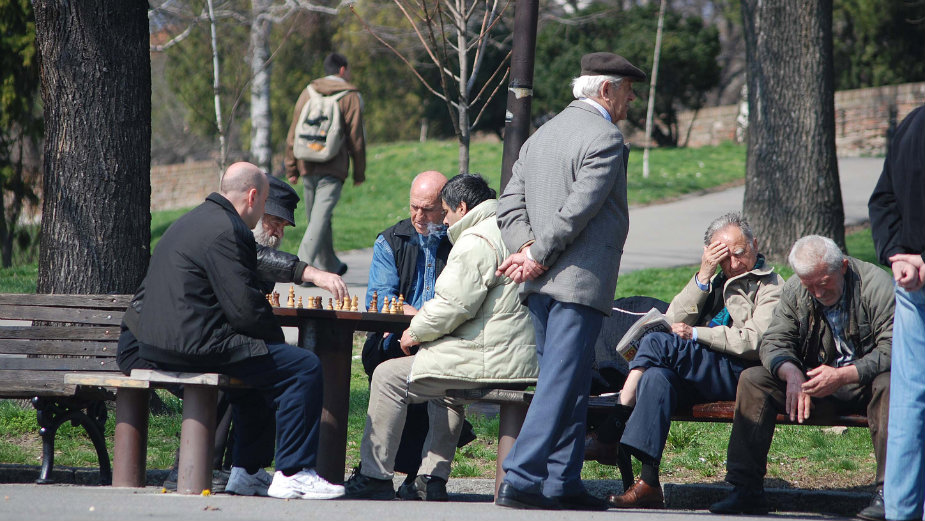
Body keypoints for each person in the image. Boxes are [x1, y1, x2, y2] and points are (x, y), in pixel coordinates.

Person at [122, 162, 344, 500]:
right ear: (254, 197)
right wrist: (273, 339)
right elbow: (245, 310)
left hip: (161, 342)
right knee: (302, 367)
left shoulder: (194, 218)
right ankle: (294, 472)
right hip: (190, 346)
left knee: (258, 374)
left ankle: (248, 471)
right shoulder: (229, 230)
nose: (277, 231)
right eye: (272, 215)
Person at [494, 51, 645, 511]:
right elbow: (578, 210)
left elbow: (508, 205)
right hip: (577, 282)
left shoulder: (542, 136)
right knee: (561, 383)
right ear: (606, 89)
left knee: (572, 381)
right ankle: (520, 476)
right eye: (627, 90)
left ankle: (562, 481)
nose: (631, 100)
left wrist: (525, 251)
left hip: (540, 285)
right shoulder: (605, 138)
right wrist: (536, 255)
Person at [344, 174, 538, 500]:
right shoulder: (510, 229)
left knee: (387, 376)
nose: (444, 219)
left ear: (462, 207)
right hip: (515, 353)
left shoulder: (476, 239)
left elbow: (452, 305)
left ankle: (375, 474)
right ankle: (430, 479)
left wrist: (414, 332)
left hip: (487, 356)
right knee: (441, 377)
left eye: (443, 210)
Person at [603, 212, 782, 509]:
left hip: (738, 372)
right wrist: (703, 276)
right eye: (723, 257)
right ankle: (648, 482)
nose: (734, 263)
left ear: (755, 244)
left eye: (740, 253)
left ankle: (614, 424)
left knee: (658, 344)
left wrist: (698, 335)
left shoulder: (771, 285)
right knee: (656, 377)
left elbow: (756, 341)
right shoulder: (713, 280)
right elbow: (672, 319)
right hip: (700, 369)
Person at [710, 235, 893, 516]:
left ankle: (888, 493)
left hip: (863, 382)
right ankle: (745, 489)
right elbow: (773, 341)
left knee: (891, 384)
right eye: (811, 286)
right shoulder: (796, 289)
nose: (818, 293)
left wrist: (843, 375)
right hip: (813, 382)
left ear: (842, 266)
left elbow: (894, 347)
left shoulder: (876, 285)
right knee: (754, 379)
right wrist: (790, 371)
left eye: (824, 283)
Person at [361, 170, 475, 498]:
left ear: (446, 207)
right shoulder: (390, 240)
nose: (418, 216)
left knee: (438, 374)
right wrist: (425, 320)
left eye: (427, 209)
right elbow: (381, 298)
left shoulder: (460, 244)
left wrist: (430, 326)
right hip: (397, 338)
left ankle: (421, 476)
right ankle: (408, 475)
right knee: (393, 365)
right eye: (413, 207)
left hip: (444, 340)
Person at [869, 104, 925, 521]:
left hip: (909, 281)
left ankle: (901, 509)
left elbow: (882, 198)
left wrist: (897, 254)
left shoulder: (911, 124)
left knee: (910, 402)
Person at [285, 52, 366, 275]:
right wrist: (359, 172)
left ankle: (329, 264)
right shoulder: (350, 96)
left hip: (306, 163)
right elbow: (356, 138)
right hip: (333, 166)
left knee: (318, 217)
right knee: (319, 218)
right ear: (342, 70)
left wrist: (291, 166)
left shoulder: (308, 92)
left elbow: (293, 131)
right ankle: (300, 268)